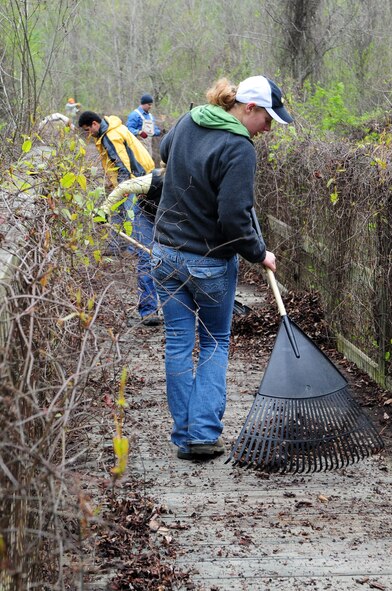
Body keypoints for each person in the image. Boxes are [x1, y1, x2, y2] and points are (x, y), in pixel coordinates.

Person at [151, 75, 293, 460]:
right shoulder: (239, 148)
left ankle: (184, 436)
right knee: (215, 342)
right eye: (267, 119)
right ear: (249, 108)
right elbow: (233, 218)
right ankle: (202, 434)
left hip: (164, 252)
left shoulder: (188, 120)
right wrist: (260, 253)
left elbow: (165, 152)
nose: (267, 128)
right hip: (208, 262)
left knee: (178, 342)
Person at [78, 110, 161, 326]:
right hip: (140, 182)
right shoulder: (110, 131)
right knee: (144, 244)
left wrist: (119, 194)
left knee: (141, 237)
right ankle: (149, 307)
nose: (88, 135)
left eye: (88, 130)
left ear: (95, 124)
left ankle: (130, 246)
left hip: (138, 183)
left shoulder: (112, 136)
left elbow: (125, 169)